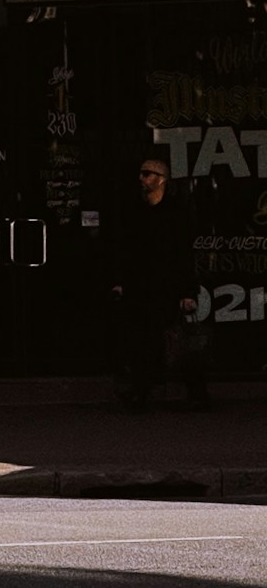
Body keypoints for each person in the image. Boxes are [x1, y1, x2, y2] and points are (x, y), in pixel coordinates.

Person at [111, 150, 209, 411]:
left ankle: (194, 390)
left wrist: (187, 291)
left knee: (174, 340)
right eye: (142, 173)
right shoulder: (137, 212)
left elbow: (183, 254)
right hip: (142, 287)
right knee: (145, 340)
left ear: (161, 179)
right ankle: (141, 391)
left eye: (147, 174)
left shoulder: (175, 214)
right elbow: (128, 251)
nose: (141, 179)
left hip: (167, 287)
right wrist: (122, 281)